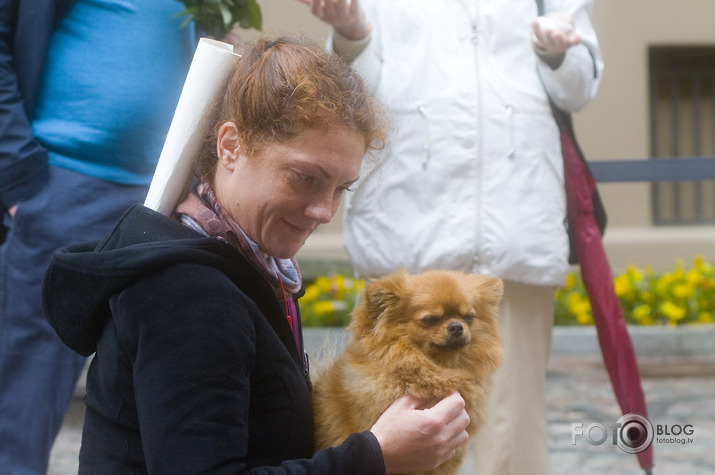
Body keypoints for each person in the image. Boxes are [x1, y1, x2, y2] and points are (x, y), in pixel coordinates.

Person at [42, 35, 470, 473]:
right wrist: (375, 456)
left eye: (341, 188)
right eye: (305, 177)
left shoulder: (256, 264)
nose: (324, 211)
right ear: (230, 146)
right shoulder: (189, 294)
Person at [301, 1, 604, 473]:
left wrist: (556, 53)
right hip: (408, 231)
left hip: (514, 224)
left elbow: (579, 87)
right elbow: (350, 96)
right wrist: (351, 34)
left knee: (513, 430)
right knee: (391, 422)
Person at [0, 1, 199, 472]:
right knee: (26, 392)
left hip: (164, 195)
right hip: (62, 186)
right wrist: (17, 176)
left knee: (160, 386)